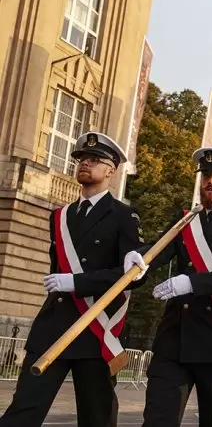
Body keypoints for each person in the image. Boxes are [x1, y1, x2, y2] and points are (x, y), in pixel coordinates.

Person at [0, 132, 141, 427]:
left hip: (94, 330)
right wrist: (64, 284)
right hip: (53, 325)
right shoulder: (60, 216)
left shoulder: (124, 217)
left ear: (111, 170)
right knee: (23, 411)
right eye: (81, 159)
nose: (85, 164)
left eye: (94, 160)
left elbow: (131, 277)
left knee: (96, 418)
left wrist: (76, 283)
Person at [126, 147, 212, 427]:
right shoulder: (185, 220)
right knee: (157, 419)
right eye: (206, 176)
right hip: (174, 339)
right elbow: (157, 252)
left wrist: (192, 282)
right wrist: (136, 260)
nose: (210, 181)